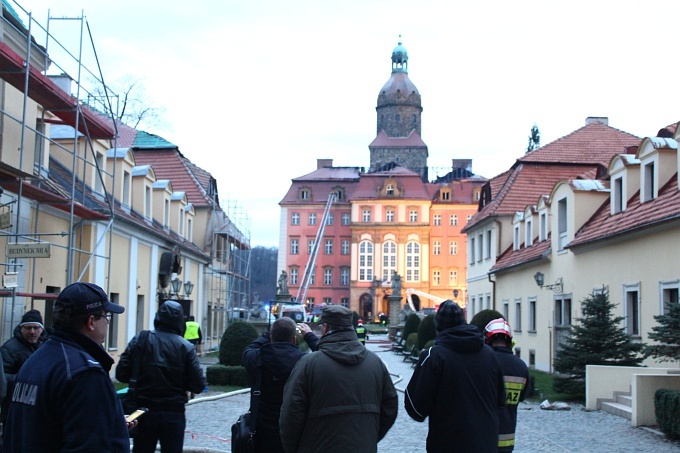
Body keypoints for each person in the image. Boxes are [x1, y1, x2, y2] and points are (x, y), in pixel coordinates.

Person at [3, 282, 130, 452]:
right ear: (91, 321)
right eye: (106, 316)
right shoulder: (84, 373)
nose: (108, 323)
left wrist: (107, 423)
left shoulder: (37, 360)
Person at [279, 304, 398, 453]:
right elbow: (390, 407)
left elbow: (291, 416)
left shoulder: (308, 364)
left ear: (326, 328)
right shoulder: (375, 363)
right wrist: (368, 437)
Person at [405, 300, 506, 453]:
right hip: (486, 443)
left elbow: (415, 409)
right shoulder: (490, 355)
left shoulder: (434, 356)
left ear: (437, 327)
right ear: (464, 322)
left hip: (449, 444)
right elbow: (500, 402)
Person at [116, 300, 206, 453]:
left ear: (157, 318)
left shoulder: (141, 339)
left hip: (143, 411)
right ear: (180, 322)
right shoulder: (186, 347)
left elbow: (121, 374)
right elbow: (198, 385)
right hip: (173, 413)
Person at [242, 318, 319, 452]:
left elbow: (250, 348)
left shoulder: (256, 358)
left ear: (271, 338)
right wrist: (309, 336)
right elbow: (326, 355)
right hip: (296, 431)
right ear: (294, 340)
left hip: (261, 431)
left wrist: (271, 333)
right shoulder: (306, 362)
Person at [484, 318, 531, 452]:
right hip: (507, 439)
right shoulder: (521, 367)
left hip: (484, 438)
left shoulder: (484, 363)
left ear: (488, 339)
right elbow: (522, 397)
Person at [0, 309, 47, 426]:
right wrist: (25, 380)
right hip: (14, 408)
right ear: (21, 329)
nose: (32, 332)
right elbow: (3, 378)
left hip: (38, 409)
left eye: (36, 328)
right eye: (28, 328)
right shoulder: (9, 349)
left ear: (41, 329)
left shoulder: (46, 346)